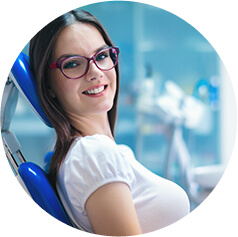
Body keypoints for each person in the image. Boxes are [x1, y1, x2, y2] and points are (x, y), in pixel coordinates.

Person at [29, 8, 190, 236]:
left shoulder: (100, 152)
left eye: (102, 56)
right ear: (48, 86)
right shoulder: (94, 154)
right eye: (73, 64)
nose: (95, 72)